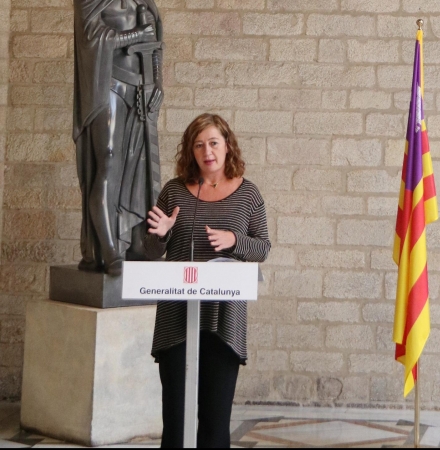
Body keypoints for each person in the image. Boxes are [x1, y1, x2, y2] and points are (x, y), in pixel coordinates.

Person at [144, 114, 270, 448]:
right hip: (177, 316)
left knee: (214, 423)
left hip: (224, 316)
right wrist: (160, 235)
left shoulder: (248, 194)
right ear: (190, 151)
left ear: (227, 146)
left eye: (213, 142)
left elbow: (263, 247)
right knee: (176, 419)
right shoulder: (174, 191)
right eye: (198, 145)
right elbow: (150, 249)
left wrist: (233, 240)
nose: (207, 151)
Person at [74, 0, 165, 275]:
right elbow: (93, 37)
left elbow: (156, 45)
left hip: (141, 87)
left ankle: (136, 242)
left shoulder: (145, 1)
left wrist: (158, 83)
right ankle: (108, 249)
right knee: (109, 162)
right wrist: (137, 35)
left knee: (136, 165)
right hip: (107, 85)